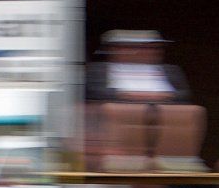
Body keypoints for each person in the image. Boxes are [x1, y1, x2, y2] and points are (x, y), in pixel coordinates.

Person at [84, 30, 203, 168]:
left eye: (150, 47)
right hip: (121, 113)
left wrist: (160, 97)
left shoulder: (171, 71)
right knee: (120, 110)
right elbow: (96, 92)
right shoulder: (100, 70)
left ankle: (177, 160)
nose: (144, 51)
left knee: (194, 111)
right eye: (135, 48)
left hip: (164, 112)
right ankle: (126, 160)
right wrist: (131, 96)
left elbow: (183, 94)